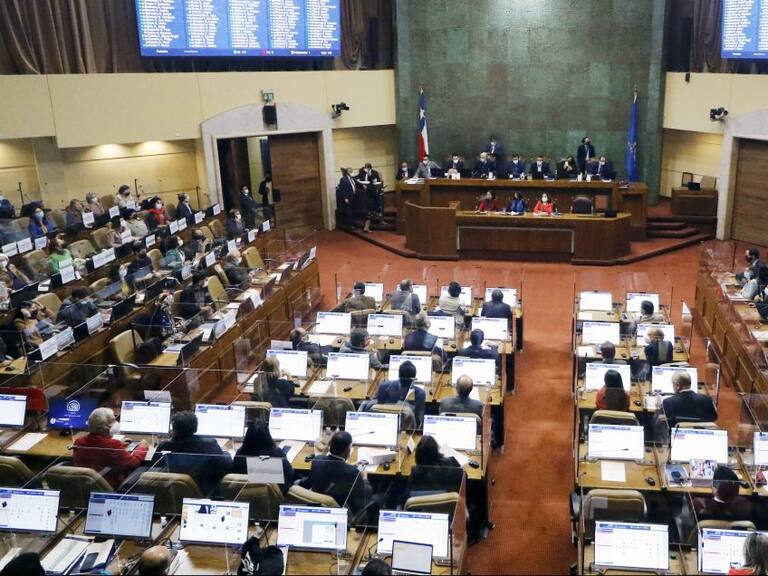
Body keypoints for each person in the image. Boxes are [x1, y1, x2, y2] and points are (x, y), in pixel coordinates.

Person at [155, 411, 232, 494]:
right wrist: (226, 454)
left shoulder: (165, 446)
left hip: (172, 492)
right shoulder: (209, 444)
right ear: (195, 428)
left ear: (175, 430)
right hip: (205, 491)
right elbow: (226, 467)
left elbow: (154, 469)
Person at [73, 407, 149, 488]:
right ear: (103, 427)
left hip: (86, 486)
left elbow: (99, 449)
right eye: (113, 421)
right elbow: (133, 463)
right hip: (108, 486)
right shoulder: (112, 445)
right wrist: (142, 448)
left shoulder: (79, 441)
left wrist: (119, 444)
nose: (116, 423)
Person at [306, 431, 373, 516]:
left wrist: (349, 466)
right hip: (342, 509)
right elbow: (365, 495)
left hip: (317, 504)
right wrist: (364, 477)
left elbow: (335, 468)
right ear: (348, 451)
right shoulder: (353, 472)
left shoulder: (317, 460)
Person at [233, 421, 294, 493]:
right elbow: (290, 474)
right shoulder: (276, 454)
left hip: (246, 496)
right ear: (268, 436)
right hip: (273, 498)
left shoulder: (240, 454)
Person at [375, 360, 426, 426]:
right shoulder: (420, 393)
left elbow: (378, 409)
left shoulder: (384, 387)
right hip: (407, 428)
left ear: (398, 374)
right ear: (414, 377)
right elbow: (418, 419)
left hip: (383, 424)